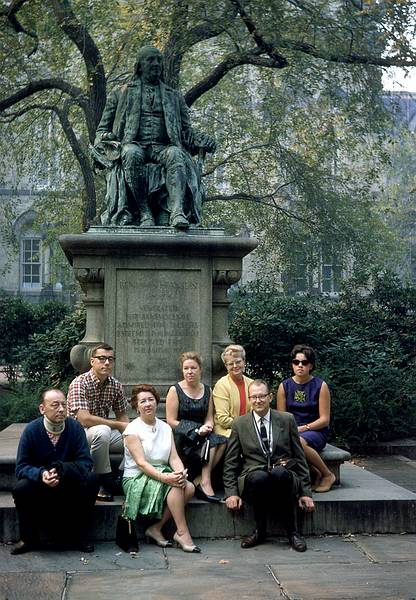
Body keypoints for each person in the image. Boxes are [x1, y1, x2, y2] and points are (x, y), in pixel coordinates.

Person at [93, 45, 216, 229]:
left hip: (163, 148)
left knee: (176, 154)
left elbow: (186, 132)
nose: (156, 64)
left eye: (159, 60)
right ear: (140, 65)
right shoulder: (121, 93)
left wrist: (203, 140)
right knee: (131, 153)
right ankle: (145, 212)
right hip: (134, 145)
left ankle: (177, 212)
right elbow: (100, 131)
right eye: (151, 60)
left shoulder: (174, 96)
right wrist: (106, 136)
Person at [223, 379, 314, 552]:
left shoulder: (287, 420)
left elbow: (300, 458)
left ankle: (292, 532)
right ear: (250, 399)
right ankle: (260, 531)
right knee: (260, 477)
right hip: (254, 475)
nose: (258, 401)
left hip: (283, 474)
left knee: (279, 473)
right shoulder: (240, 424)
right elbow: (231, 462)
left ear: (270, 397)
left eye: (262, 396)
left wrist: (306, 493)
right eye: (254, 397)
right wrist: (231, 493)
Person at [11, 389, 99, 555]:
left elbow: (86, 462)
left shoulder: (74, 428)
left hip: (68, 481)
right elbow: (21, 467)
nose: (61, 409)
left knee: (92, 480)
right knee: (20, 488)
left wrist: (63, 469)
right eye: (55, 405)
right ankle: (28, 539)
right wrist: (41, 474)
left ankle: (78, 536)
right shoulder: (32, 430)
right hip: (40, 484)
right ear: (42, 409)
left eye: (64, 405)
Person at [122, 384, 199, 553]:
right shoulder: (132, 430)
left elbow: (173, 457)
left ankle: (156, 528)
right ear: (136, 406)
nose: (148, 404)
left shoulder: (165, 427)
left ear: (157, 402)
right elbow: (141, 463)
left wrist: (180, 472)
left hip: (162, 472)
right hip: (137, 477)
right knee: (176, 486)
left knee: (190, 486)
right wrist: (166, 478)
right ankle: (182, 532)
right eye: (143, 401)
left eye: (151, 400)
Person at [67, 343, 129, 502]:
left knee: (136, 436)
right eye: (102, 359)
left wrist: (129, 432)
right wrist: (117, 425)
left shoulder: (115, 385)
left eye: (110, 359)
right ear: (92, 361)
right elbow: (84, 418)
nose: (107, 363)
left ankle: (123, 476)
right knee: (103, 430)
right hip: (78, 436)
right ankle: (102, 480)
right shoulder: (79, 383)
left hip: (102, 435)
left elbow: (122, 416)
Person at [166, 352, 227, 503]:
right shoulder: (175, 390)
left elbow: (209, 418)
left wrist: (207, 426)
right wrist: (194, 430)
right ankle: (206, 482)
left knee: (223, 441)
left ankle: (201, 479)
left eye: (193, 368)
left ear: (200, 369)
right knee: (211, 441)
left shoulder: (207, 390)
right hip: (183, 436)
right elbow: (171, 421)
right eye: (186, 368)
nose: (189, 372)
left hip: (203, 434)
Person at [277, 344, 335, 493]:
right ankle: (314, 473)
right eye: (296, 362)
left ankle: (328, 475)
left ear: (311, 365)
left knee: (298, 441)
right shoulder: (284, 386)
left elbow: (325, 419)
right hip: (292, 430)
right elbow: (281, 418)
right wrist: (291, 430)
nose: (300, 366)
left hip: (315, 430)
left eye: (305, 362)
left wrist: (305, 428)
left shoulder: (321, 386)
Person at [213, 344, 253, 438]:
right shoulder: (221, 385)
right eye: (231, 363)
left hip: (249, 430)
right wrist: (246, 425)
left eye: (238, 362)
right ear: (226, 366)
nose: (235, 366)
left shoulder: (252, 384)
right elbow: (223, 420)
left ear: (244, 362)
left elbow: (255, 412)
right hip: (226, 432)